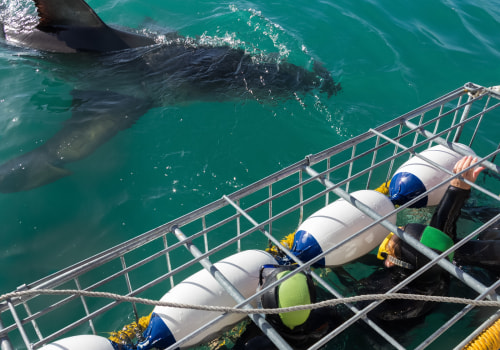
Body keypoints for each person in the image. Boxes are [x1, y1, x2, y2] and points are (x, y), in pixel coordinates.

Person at [351, 155, 486, 321]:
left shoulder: (382, 303)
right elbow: (440, 234)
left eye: (392, 244)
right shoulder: (436, 268)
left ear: (391, 262)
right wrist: (458, 187)